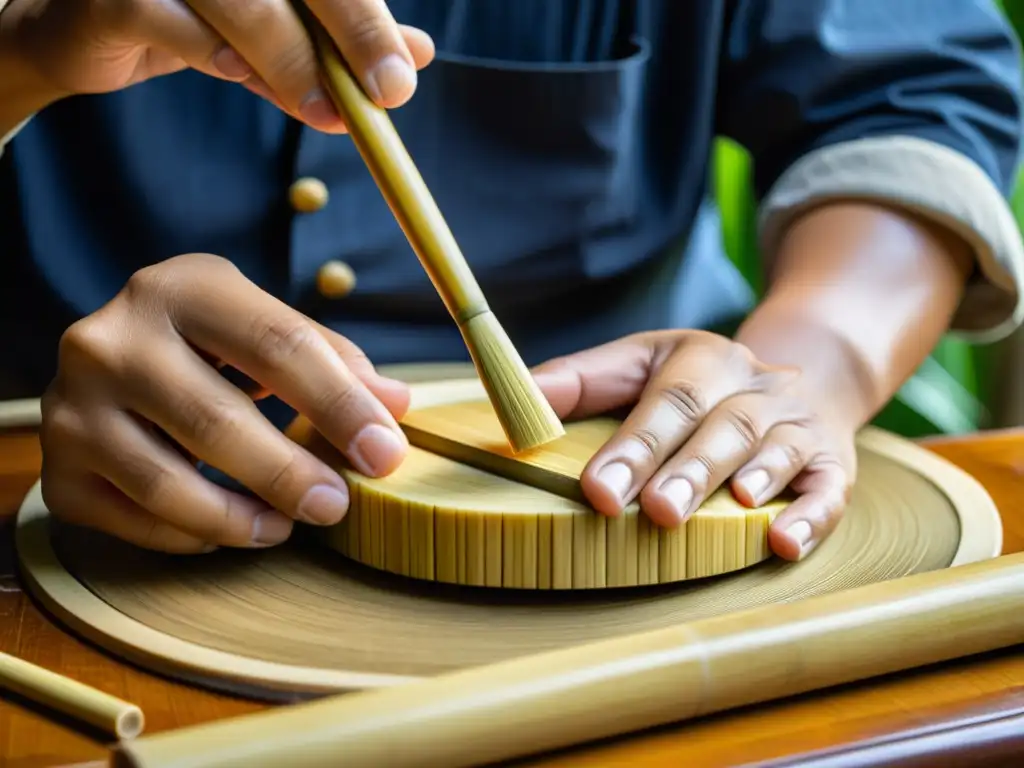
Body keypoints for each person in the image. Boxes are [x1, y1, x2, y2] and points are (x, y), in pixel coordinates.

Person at [1, 0, 1022, 563]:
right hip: (85, 520)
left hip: (652, 521)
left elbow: (910, 94)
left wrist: (807, 367)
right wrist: (23, 58)